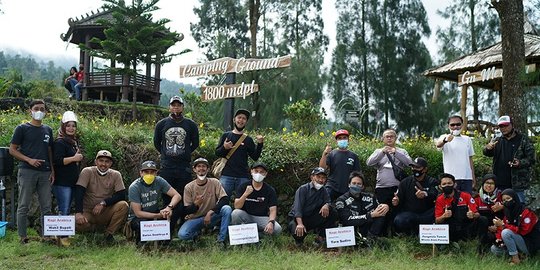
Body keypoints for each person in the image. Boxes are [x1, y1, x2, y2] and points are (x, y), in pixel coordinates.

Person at [9, 99, 54, 244]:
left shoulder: (48, 130)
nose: (39, 111)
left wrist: (52, 170)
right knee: (23, 205)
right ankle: (22, 236)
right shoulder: (21, 128)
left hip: (45, 172)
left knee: (46, 206)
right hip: (27, 171)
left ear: (46, 112)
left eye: (42, 109)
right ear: (30, 111)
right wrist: (29, 160)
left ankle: (46, 236)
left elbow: (49, 151)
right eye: (36, 108)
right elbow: (12, 150)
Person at [153, 95, 199, 235]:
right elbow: (157, 142)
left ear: (182, 107)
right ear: (169, 107)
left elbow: (195, 143)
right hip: (167, 167)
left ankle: (181, 224)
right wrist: (166, 154)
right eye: (173, 105)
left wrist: (184, 153)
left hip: (184, 168)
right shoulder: (161, 124)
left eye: (178, 105)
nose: (176, 107)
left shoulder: (190, 124)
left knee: (183, 197)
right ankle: (167, 227)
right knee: (167, 197)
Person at [74, 150, 129, 242]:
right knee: (76, 224)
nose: (103, 164)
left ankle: (109, 234)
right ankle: (93, 230)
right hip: (88, 211)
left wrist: (103, 203)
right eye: (101, 161)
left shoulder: (116, 174)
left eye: (107, 161)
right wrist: (78, 213)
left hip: (105, 211)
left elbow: (121, 195)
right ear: (96, 162)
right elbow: (79, 192)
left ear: (110, 163)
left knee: (123, 205)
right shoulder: (87, 171)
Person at [178, 158, 231, 246]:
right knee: (182, 235)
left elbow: (224, 199)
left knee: (227, 209)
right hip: (196, 218)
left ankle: (221, 240)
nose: (201, 169)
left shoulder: (215, 182)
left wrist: (210, 212)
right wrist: (196, 204)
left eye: (204, 166)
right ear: (194, 169)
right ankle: (197, 235)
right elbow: (186, 210)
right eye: (198, 166)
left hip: (212, 216)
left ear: (208, 169)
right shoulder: (188, 187)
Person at [483, 115, 535, 204]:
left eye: (506, 125)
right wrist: (488, 148)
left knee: (519, 208)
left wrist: (520, 163)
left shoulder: (523, 139)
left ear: (512, 125)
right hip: (499, 183)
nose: (504, 128)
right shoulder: (497, 139)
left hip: (518, 184)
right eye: (501, 126)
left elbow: (532, 159)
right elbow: (487, 153)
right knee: (500, 210)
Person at [128, 161, 182, 244]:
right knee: (140, 224)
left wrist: (169, 208)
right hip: (138, 217)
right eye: (146, 172)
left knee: (177, 208)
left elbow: (177, 196)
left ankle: (165, 241)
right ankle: (140, 243)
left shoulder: (159, 181)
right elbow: (138, 213)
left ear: (156, 173)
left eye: (152, 172)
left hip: (154, 211)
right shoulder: (134, 187)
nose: (149, 175)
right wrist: (158, 215)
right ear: (141, 173)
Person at [215, 109, 264, 197]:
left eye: (244, 118)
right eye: (239, 117)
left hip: (242, 176)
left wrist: (260, 144)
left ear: (246, 122)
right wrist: (224, 148)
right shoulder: (226, 135)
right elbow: (217, 153)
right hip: (226, 175)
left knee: (243, 202)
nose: (241, 120)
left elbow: (255, 157)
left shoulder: (248, 140)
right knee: (222, 200)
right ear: (234, 119)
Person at [52, 111, 83, 246]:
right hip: (62, 182)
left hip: (71, 181)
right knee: (63, 209)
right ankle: (62, 237)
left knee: (67, 208)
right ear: (63, 127)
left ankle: (63, 234)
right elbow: (57, 160)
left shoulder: (72, 142)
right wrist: (74, 158)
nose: (71, 128)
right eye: (68, 126)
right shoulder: (60, 142)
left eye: (73, 126)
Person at [288, 167, 337, 247]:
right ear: (312, 177)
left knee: (332, 212)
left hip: (311, 217)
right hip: (298, 219)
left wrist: (326, 205)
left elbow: (328, 201)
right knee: (297, 232)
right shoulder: (303, 189)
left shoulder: (324, 190)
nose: (321, 180)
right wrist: (300, 224)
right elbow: (298, 208)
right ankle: (299, 241)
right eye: (318, 177)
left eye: (323, 178)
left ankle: (321, 237)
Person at [231, 162, 282, 237]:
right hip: (246, 216)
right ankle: (240, 237)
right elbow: (237, 206)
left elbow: (273, 210)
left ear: (265, 174)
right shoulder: (243, 186)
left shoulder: (270, 190)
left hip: (261, 218)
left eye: (261, 172)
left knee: (277, 229)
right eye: (256, 171)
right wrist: (245, 194)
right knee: (235, 213)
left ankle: (257, 236)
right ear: (251, 171)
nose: (258, 174)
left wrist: (271, 222)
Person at [435, 173, 488, 243]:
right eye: (444, 184)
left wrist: (473, 215)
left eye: (449, 183)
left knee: (483, 219)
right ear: (440, 187)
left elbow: (477, 214)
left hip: (466, 227)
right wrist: (443, 216)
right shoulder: (439, 199)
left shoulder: (465, 195)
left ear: (454, 184)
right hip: (451, 229)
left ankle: (481, 246)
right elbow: (437, 220)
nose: (447, 185)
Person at [491, 189, 540, 265]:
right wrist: (499, 239)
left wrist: (503, 225)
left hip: (529, 243)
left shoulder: (526, 212)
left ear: (514, 198)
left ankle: (516, 259)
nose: (506, 202)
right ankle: (520, 256)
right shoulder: (508, 212)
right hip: (516, 241)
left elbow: (523, 231)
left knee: (506, 232)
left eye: (508, 198)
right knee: (494, 249)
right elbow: (504, 228)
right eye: (504, 200)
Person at [392, 157, 439, 235]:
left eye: (417, 167)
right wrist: (396, 202)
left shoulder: (432, 181)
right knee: (399, 220)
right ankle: (410, 233)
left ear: (425, 169)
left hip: (427, 214)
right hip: (410, 213)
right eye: (413, 167)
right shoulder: (405, 182)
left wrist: (425, 194)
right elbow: (398, 199)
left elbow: (435, 195)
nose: (414, 169)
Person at [335, 171, 388, 238]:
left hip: (367, 228)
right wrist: (370, 215)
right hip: (350, 230)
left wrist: (385, 206)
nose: (356, 186)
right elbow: (347, 220)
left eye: (359, 184)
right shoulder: (341, 200)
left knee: (381, 213)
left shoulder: (370, 197)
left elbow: (379, 209)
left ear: (362, 186)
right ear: (349, 184)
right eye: (353, 183)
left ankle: (372, 239)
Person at [436, 115, 475, 193]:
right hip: (450, 179)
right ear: (448, 126)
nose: (455, 127)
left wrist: (473, 176)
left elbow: (470, 159)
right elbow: (438, 145)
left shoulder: (467, 139)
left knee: (467, 203)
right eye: (452, 125)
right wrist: (445, 140)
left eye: (458, 124)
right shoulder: (444, 137)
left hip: (467, 178)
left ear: (462, 125)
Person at [320, 129, 361, 201]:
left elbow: (358, 174)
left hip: (347, 190)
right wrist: (324, 154)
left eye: (344, 138)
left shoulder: (353, 156)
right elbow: (322, 168)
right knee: (325, 207)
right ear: (336, 141)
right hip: (331, 187)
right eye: (339, 138)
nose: (342, 140)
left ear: (348, 140)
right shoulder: (331, 154)